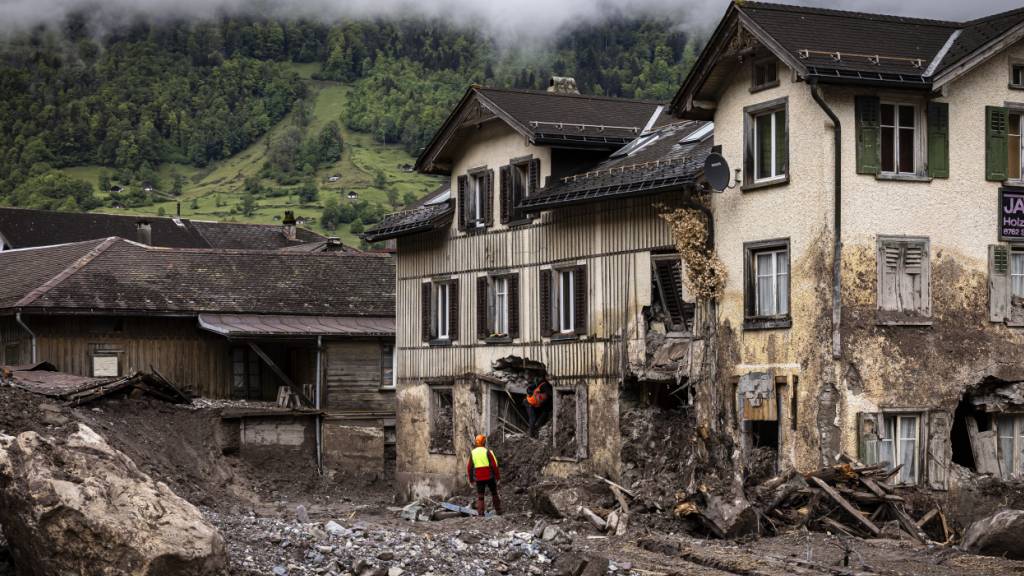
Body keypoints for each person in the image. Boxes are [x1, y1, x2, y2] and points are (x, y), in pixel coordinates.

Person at [466, 434, 503, 516]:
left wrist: (471, 480)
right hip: (490, 477)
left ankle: (481, 514)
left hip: (479, 478)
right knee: (494, 493)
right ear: (484, 442)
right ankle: (498, 511)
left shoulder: (473, 453)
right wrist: (498, 477)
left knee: (480, 496)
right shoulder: (488, 452)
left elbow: (469, 468)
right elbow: (494, 466)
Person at [524, 373, 552, 438]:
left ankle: (537, 426)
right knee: (532, 418)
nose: (551, 380)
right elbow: (528, 388)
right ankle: (531, 436)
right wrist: (530, 392)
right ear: (546, 377)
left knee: (545, 412)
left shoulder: (548, 386)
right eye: (549, 378)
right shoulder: (544, 385)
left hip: (537, 404)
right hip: (529, 403)